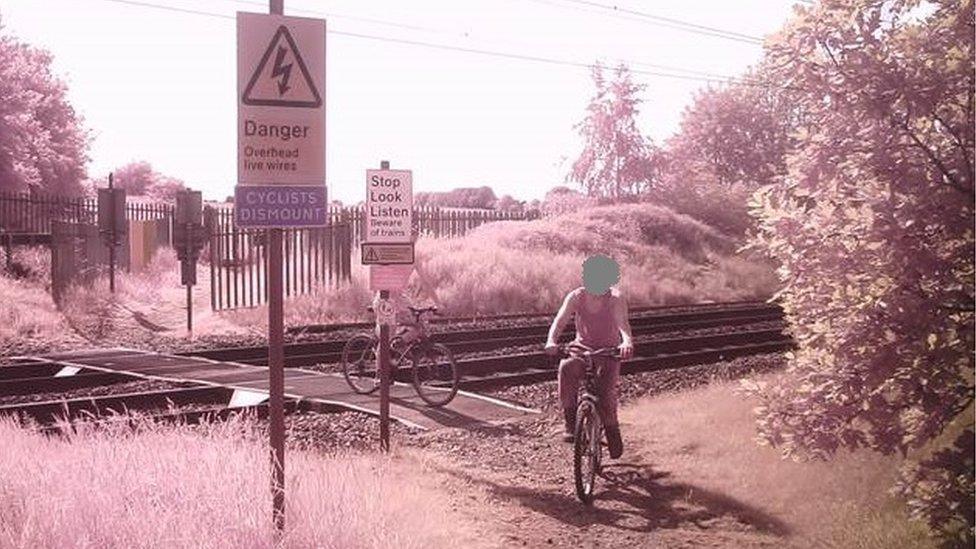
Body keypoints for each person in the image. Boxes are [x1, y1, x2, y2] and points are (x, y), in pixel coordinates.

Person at [545, 254, 634, 459]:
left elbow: (623, 325)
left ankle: (612, 431)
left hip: (608, 351)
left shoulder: (615, 298)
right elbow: (559, 322)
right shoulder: (577, 296)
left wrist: (626, 342)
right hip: (582, 349)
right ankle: (570, 422)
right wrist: (551, 341)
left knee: (605, 395)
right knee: (566, 368)